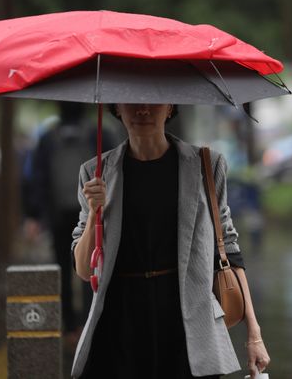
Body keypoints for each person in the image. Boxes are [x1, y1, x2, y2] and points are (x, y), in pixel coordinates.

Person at [71, 103, 271, 378]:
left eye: (154, 101)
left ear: (170, 108)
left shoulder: (207, 165)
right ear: (116, 108)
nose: (142, 110)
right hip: (120, 324)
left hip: (189, 323)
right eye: (132, 102)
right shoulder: (95, 173)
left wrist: (254, 334)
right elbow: (83, 270)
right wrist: (95, 212)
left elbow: (227, 249)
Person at [25, 102, 111, 339]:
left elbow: (36, 177)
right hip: (92, 213)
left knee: (63, 266)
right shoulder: (99, 134)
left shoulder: (47, 138)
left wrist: (35, 214)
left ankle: (68, 325)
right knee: (92, 266)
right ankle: (88, 321)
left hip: (58, 213)